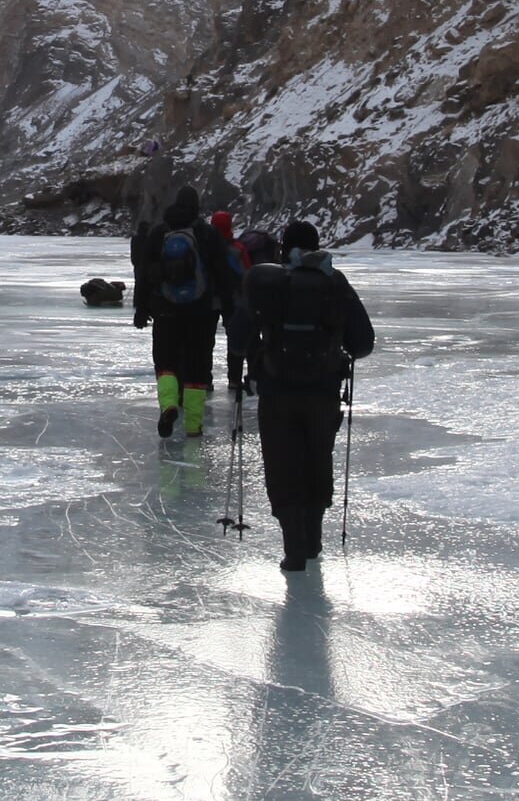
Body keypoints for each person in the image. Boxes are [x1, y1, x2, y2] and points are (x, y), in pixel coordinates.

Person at [234, 220, 375, 571]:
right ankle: (312, 539)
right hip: (323, 392)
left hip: (277, 391)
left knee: (282, 464)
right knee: (317, 458)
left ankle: (293, 546)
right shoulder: (334, 281)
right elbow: (363, 342)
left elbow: (238, 337)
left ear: (284, 248)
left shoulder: (268, 284)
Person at [130, 188, 241, 440]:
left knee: (166, 363)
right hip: (200, 313)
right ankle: (193, 426)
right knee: (197, 369)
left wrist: (141, 307)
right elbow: (222, 273)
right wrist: (228, 309)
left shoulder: (159, 233)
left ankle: (169, 404)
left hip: (165, 310)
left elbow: (144, 273)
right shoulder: (207, 233)